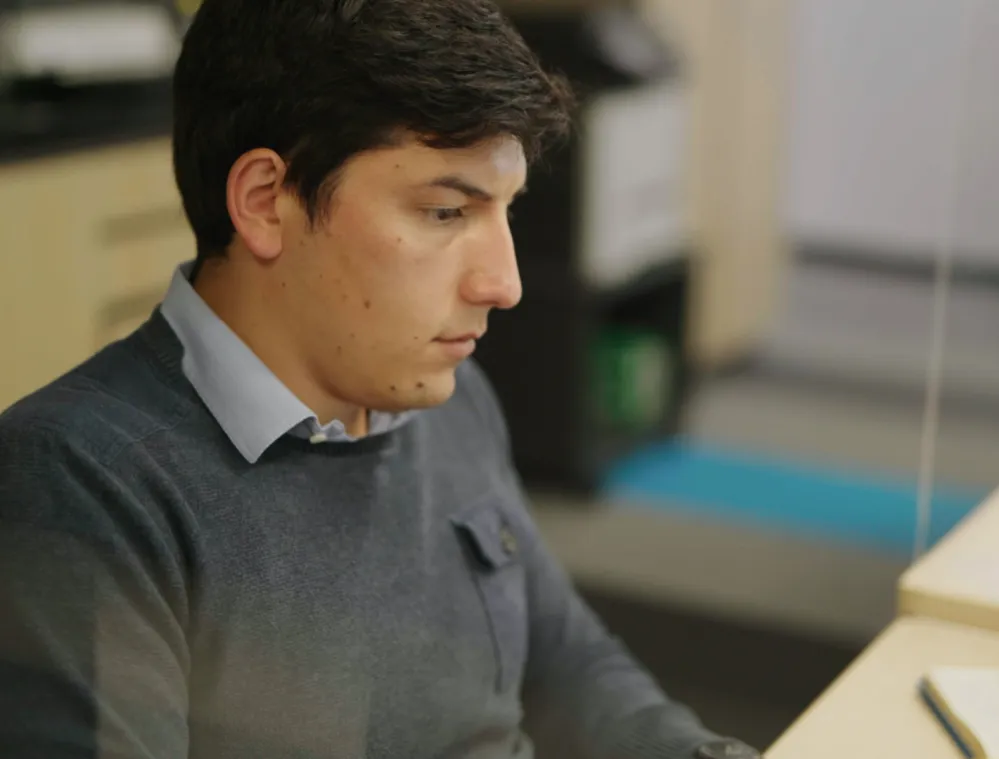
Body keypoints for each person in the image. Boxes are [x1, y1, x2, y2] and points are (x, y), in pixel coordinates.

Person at [0, 1, 761, 757]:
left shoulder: (447, 399)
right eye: (442, 211)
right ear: (266, 201)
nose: (504, 283)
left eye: (504, 212)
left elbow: (562, 663)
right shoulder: (78, 484)